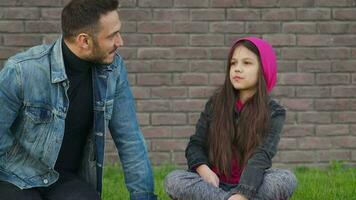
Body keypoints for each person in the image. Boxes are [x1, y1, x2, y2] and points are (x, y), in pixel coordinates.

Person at [0, 0, 157, 199]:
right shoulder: (22, 70)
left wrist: (144, 197)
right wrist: (20, 164)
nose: (120, 42)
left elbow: (130, 139)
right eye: (112, 36)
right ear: (84, 41)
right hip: (16, 177)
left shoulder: (113, 71)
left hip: (64, 180)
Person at [164, 37, 297, 200]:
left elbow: (262, 156)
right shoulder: (215, 103)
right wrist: (204, 170)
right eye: (233, 63)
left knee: (285, 179)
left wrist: (243, 193)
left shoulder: (274, 112)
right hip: (214, 183)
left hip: (252, 184)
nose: (237, 69)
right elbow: (195, 144)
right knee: (174, 180)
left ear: (263, 69)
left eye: (246, 63)